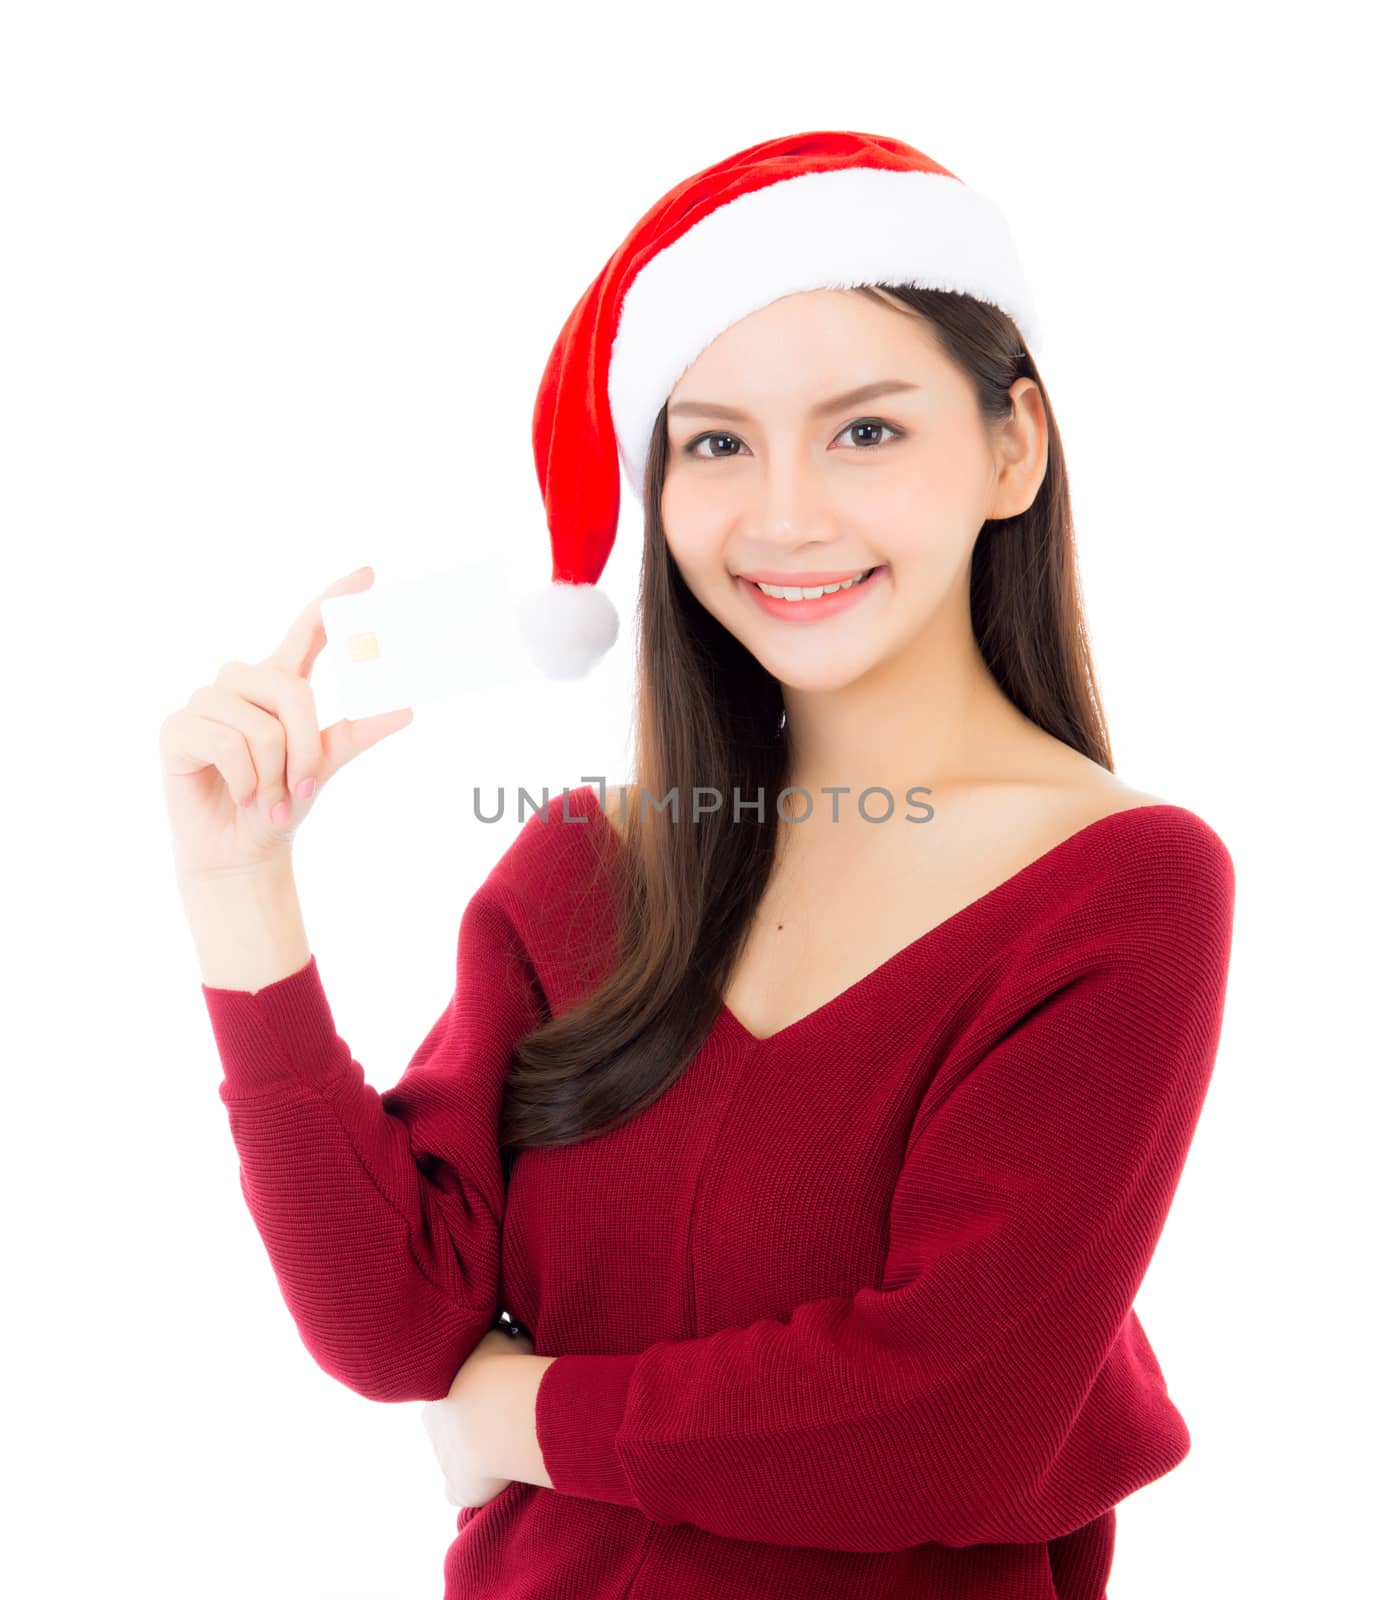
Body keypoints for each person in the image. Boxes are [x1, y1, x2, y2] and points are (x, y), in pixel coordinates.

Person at [161, 129, 1236, 1600]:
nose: (784, 515)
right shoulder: (584, 870)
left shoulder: (1124, 888)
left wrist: (515, 1414)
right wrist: (242, 889)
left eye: (866, 430)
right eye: (717, 442)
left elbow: (937, 1424)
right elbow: (395, 1318)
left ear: (1011, 448)